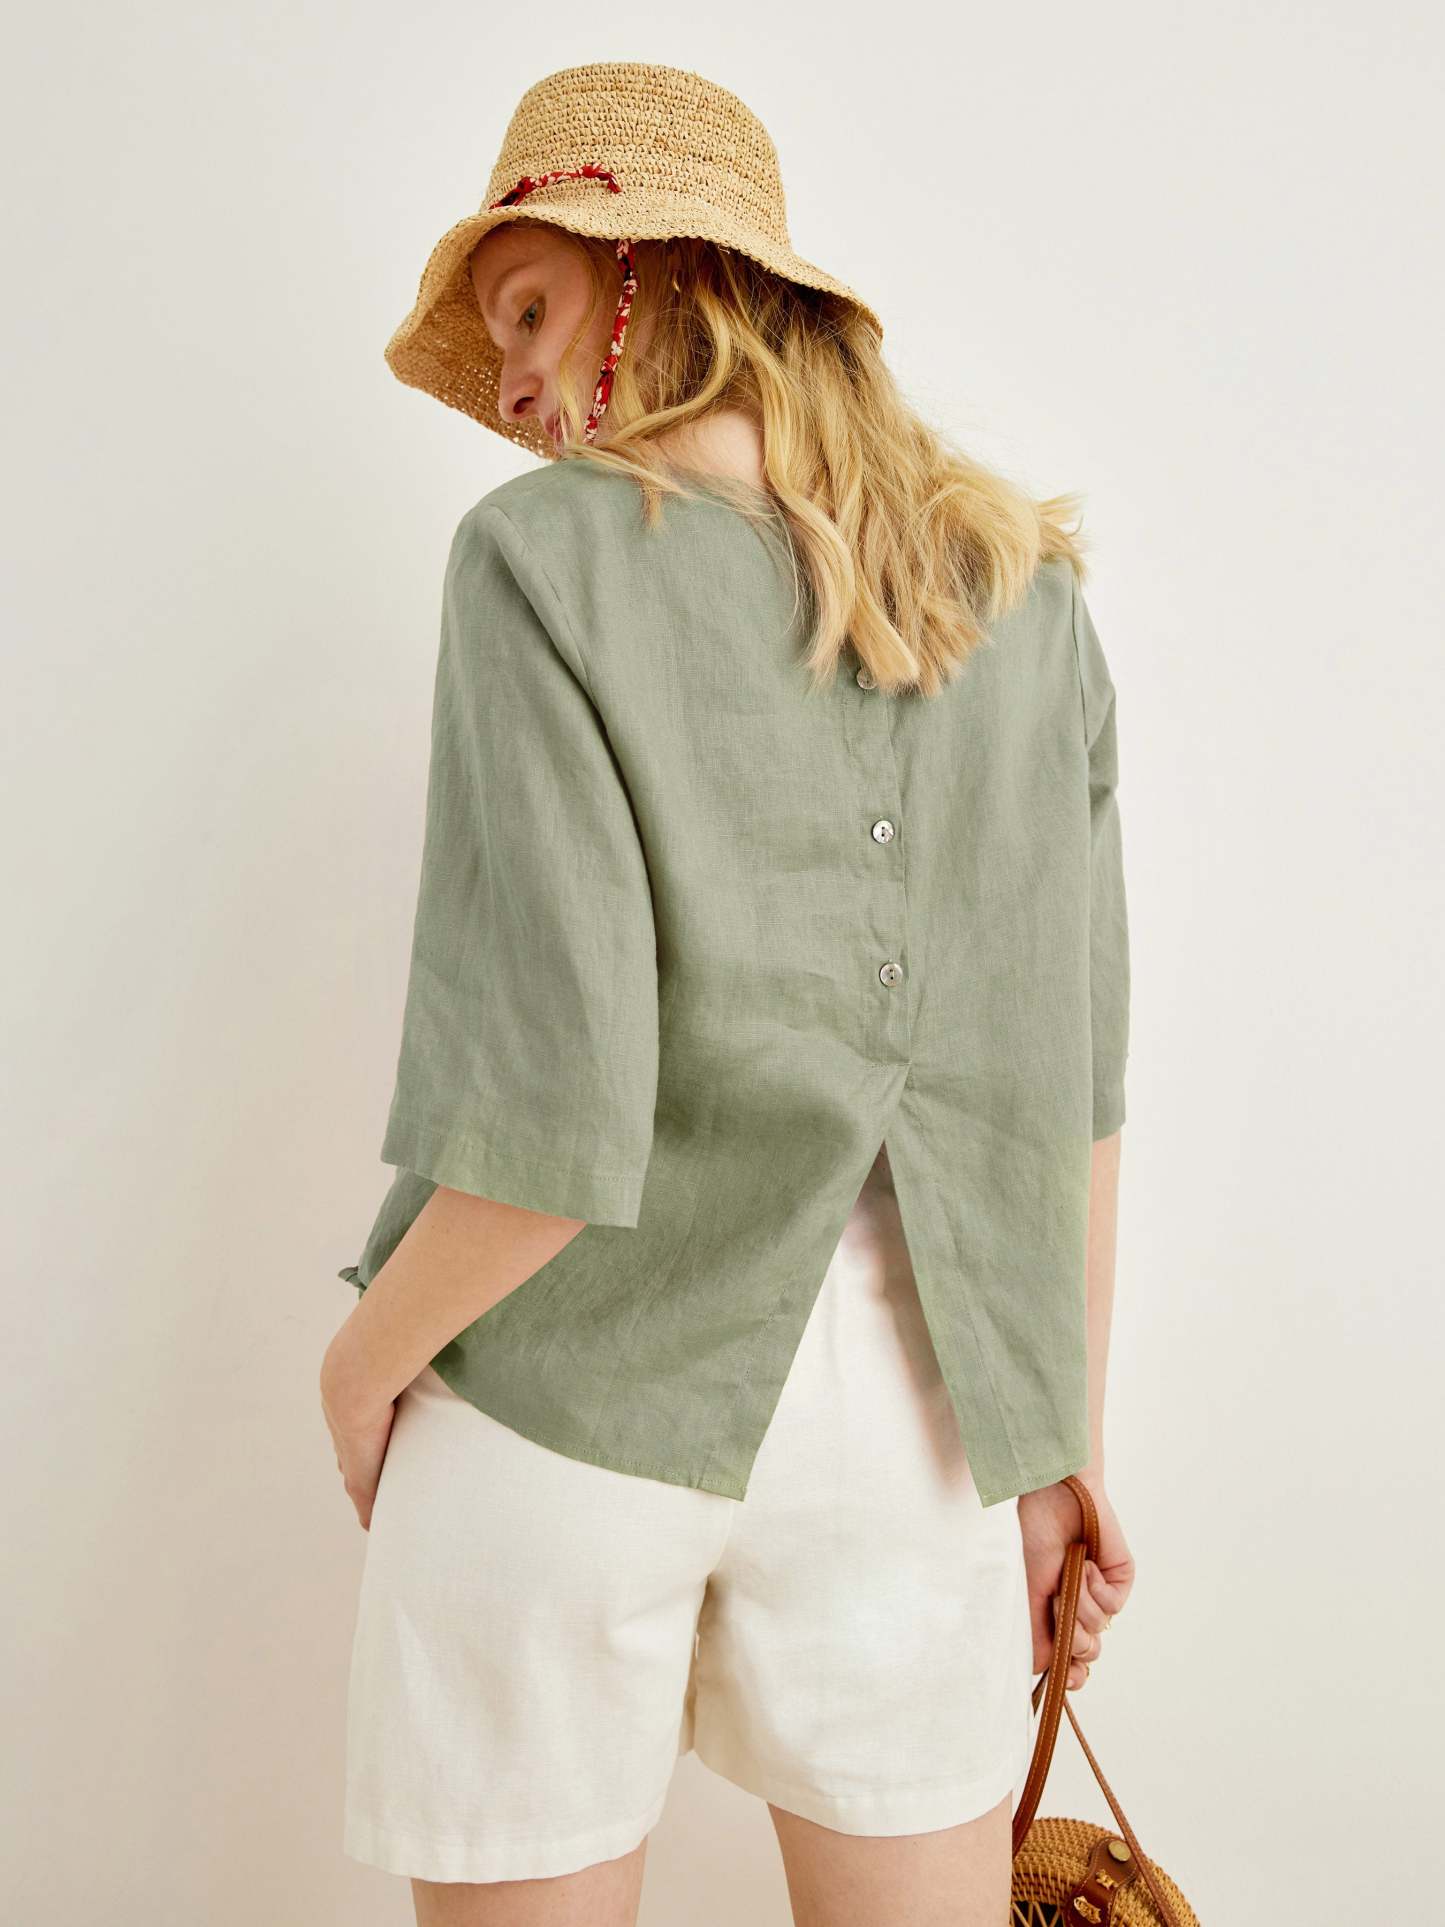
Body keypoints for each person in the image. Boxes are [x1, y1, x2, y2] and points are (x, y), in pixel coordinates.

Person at [322, 60, 1136, 1927]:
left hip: (560, 1407)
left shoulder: (536, 563)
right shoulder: (1027, 601)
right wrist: (1061, 1455)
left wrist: (357, 1372)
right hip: (919, 1436)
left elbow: (548, 1121)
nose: (510, 386)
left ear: (652, 274)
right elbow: (1071, 1087)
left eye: (528, 311)